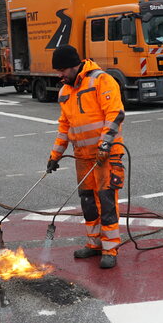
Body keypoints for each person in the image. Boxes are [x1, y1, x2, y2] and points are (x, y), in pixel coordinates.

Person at [46, 45, 125, 269]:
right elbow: (64, 127)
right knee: (88, 202)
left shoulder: (101, 80)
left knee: (106, 201)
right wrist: (55, 155)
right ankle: (94, 244)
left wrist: (105, 144)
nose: (59, 75)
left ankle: (110, 248)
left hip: (106, 155)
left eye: (62, 70)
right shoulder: (64, 91)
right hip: (82, 156)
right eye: (57, 71)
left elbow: (115, 113)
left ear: (75, 65)